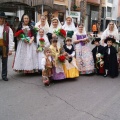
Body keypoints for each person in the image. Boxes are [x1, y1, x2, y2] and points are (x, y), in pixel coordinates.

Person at [0, 11, 14, 81]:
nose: (1, 20)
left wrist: (10, 49)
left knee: (4, 62)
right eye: (0, 18)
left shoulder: (8, 28)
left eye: (3, 18)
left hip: (4, 46)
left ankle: (4, 75)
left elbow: (11, 39)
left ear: (5, 19)